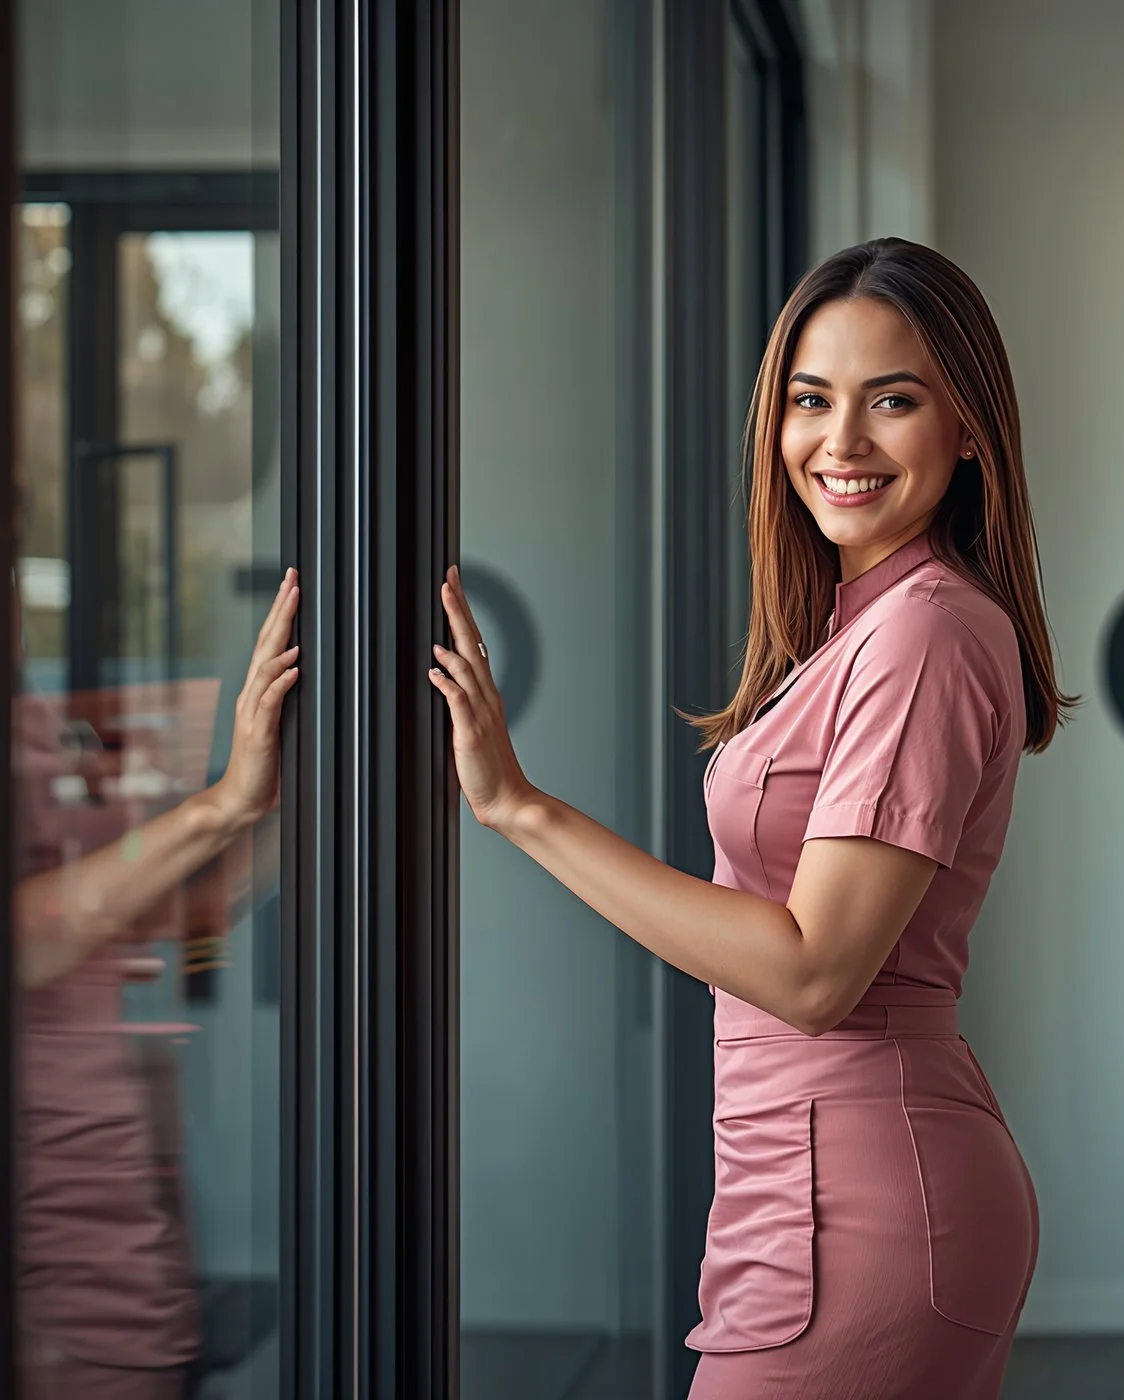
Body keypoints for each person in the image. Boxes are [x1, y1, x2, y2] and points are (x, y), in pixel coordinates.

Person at [429, 237, 1072, 1398]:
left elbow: (816, 970)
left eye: (893, 400)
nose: (842, 442)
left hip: (862, 1205)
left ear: (968, 426)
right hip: (810, 1183)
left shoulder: (923, 632)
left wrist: (522, 810)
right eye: (810, 400)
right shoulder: (855, 625)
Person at [16, 569, 300, 1400]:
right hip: (43, 1243)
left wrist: (323, 783)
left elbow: (175, 909)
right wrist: (218, 808)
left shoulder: (38, 723)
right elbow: (33, 934)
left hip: (123, 1207)